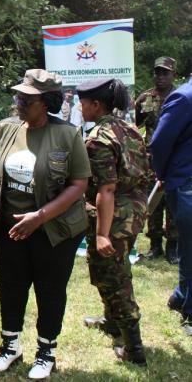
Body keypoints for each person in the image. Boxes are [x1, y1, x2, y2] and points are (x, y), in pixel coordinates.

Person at [0, 69, 90, 379]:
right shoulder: (5, 128)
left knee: (50, 290)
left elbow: (79, 184)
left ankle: (46, 354)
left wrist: (39, 217)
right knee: (11, 287)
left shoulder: (67, 135)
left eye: (27, 99)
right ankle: (10, 347)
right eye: (19, 97)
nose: (19, 103)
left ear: (47, 103)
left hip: (53, 231)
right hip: (11, 228)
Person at [78, 78, 149, 365]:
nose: (80, 107)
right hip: (133, 210)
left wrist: (102, 234)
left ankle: (134, 348)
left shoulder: (99, 138)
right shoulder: (129, 129)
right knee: (107, 271)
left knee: (116, 278)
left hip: (113, 216)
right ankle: (111, 322)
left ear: (96, 105)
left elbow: (106, 188)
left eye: (83, 103)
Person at [150, 74, 192, 336]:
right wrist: (165, 175)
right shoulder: (183, 97)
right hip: (187, 182)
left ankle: (180, 296)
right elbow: (159, 142)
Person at [136, 56, 178, 262]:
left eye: (165, 72)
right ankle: (155, 246)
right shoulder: (145, 98)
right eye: (158, 72)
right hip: (152, 161)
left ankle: (173, 247)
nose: (160, 76)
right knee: (152, 204)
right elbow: (136, 126)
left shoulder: (181, 98)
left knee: (173, 202)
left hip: (176, 161)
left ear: (173, 75)